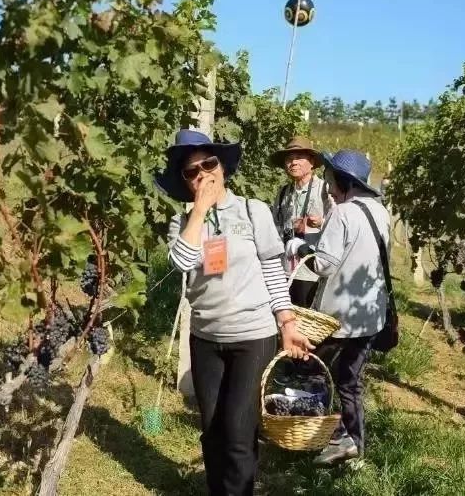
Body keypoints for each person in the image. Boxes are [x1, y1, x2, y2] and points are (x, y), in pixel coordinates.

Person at [156, 129, 313, 496]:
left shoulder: (252, 211)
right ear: (185, 181)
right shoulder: (182, 224)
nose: (202, 174)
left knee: (239, 430)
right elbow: (183, 262)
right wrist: (199, 211)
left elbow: (274, 272)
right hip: (207, 336)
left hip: (253, 335)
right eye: (191, 171)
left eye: (208, 163)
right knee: (212, 431)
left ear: (222, 166)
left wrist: (287, 323)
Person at [285, 149, 391, 465]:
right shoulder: (379, 210)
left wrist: (300, 246)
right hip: (371, 314)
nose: (328, 187)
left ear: (344, 181)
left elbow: (325, 265)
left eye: (331, 180)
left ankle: (316, 437)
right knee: (351, 381)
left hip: (338, 318)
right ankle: (354, 447)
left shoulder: (342, 213)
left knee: (317, 373)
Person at [269, 136, 333, 307]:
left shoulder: (324, 190)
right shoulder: (283, 193)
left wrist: (322, 222)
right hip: (286, 270)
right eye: (289, 159)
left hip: (311, 272)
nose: (293, 162)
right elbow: (275, 227)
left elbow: (339, 224)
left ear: (312, 162)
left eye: (299, 158)